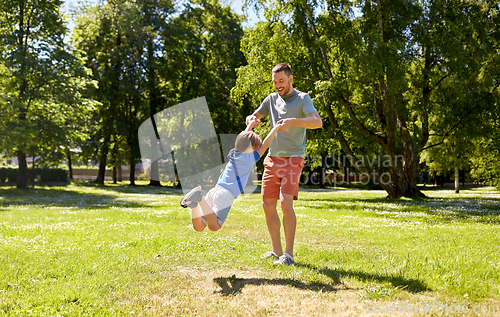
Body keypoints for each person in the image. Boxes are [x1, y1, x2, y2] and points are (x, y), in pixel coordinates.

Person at [246, 63, 323, 266]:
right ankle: (276, 251)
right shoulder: (271, 99)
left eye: (281, 81)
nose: (278, 85)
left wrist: (293, 121)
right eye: (275, 82)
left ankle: (288, 255)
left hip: (293, 159)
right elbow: (255, 116)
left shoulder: (302, 98)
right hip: (272, 158)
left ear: (290, 79)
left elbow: (317, 122)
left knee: (285, 202)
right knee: (267, 204)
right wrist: (251, 119)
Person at [180, 118, 284, 232]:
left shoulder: (235, 153)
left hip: (214, 191)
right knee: (214, 226)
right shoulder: (249, 159)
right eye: (256, 147)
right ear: (252, 148)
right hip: (225, 195)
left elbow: (242, 139)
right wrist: (275, 128)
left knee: (199, 227)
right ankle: (199, 198)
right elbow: (265, 145)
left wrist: (250, 125)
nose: (258, 148)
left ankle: (194, 205)